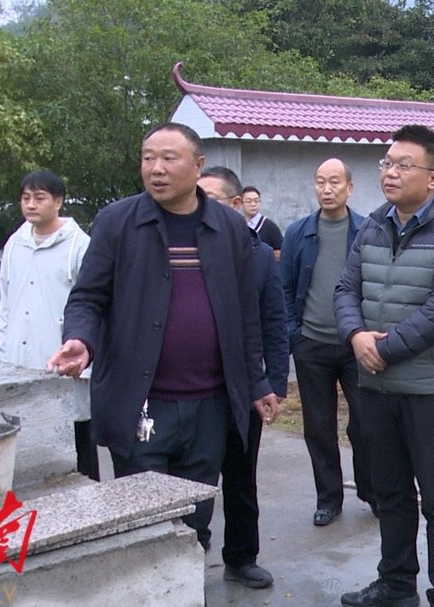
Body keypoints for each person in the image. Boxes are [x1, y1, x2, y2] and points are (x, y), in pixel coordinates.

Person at [48, 122, 278, 553]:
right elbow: (88, 297)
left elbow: (245, 315)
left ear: (198, 165)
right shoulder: (118, 222)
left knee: (195, 521)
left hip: (210, 405)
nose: (156, 168)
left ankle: (190, 583)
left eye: (169, 158)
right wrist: (81, 341)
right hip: (142, 402)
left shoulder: (229, 227)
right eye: (148, 158)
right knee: (143, 524)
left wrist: (257, 382)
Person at [335, 124, 434, 607]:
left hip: (430, 389)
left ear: (433, 177)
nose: (390, 173)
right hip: (377, 387)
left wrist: (385, 348)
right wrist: (355, 336)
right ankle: (396, 584)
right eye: (386, 163)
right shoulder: (372, 225)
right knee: (390, 492)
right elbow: (346, 289)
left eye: (403, 165)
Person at [197, 165, 288, 588]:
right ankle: (189, 554)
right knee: (191, 482)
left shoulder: (259, 257)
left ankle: (241, 556)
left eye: (211, 199)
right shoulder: (180, 247)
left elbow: (274, 323)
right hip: (189, 389)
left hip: (242, 387)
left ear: (236, 205)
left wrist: (273, 384)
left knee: (240, 477)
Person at [280, 158, 374, 527]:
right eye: (320, 181)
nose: (327, 189)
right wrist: (295, 335)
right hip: (312, 344)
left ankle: (371, 491)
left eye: (334, 182)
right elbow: (284, 287)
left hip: (356, 345)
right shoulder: (297, 233)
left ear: (349, 188)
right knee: (319, 428)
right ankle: (328, 498)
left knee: (366, 424)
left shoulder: (367, 230)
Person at [0, 170, 97, 480]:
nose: (31, 205)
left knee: (77, 448)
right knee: (26, 447)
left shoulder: (79, 246)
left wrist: (87, 364)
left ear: (58, 201)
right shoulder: (15, 244)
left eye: (39, 198)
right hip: (20, 363)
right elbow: (6, 304)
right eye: (25, 198)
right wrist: (3, 356)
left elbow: (95, 306)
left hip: (65, 364)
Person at [241, 186, 283, 259]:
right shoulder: (238, 224)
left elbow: (281, 253)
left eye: (256, 201)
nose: (253, 204)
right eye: (249, 201)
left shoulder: (270, 226)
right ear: (241, 203)